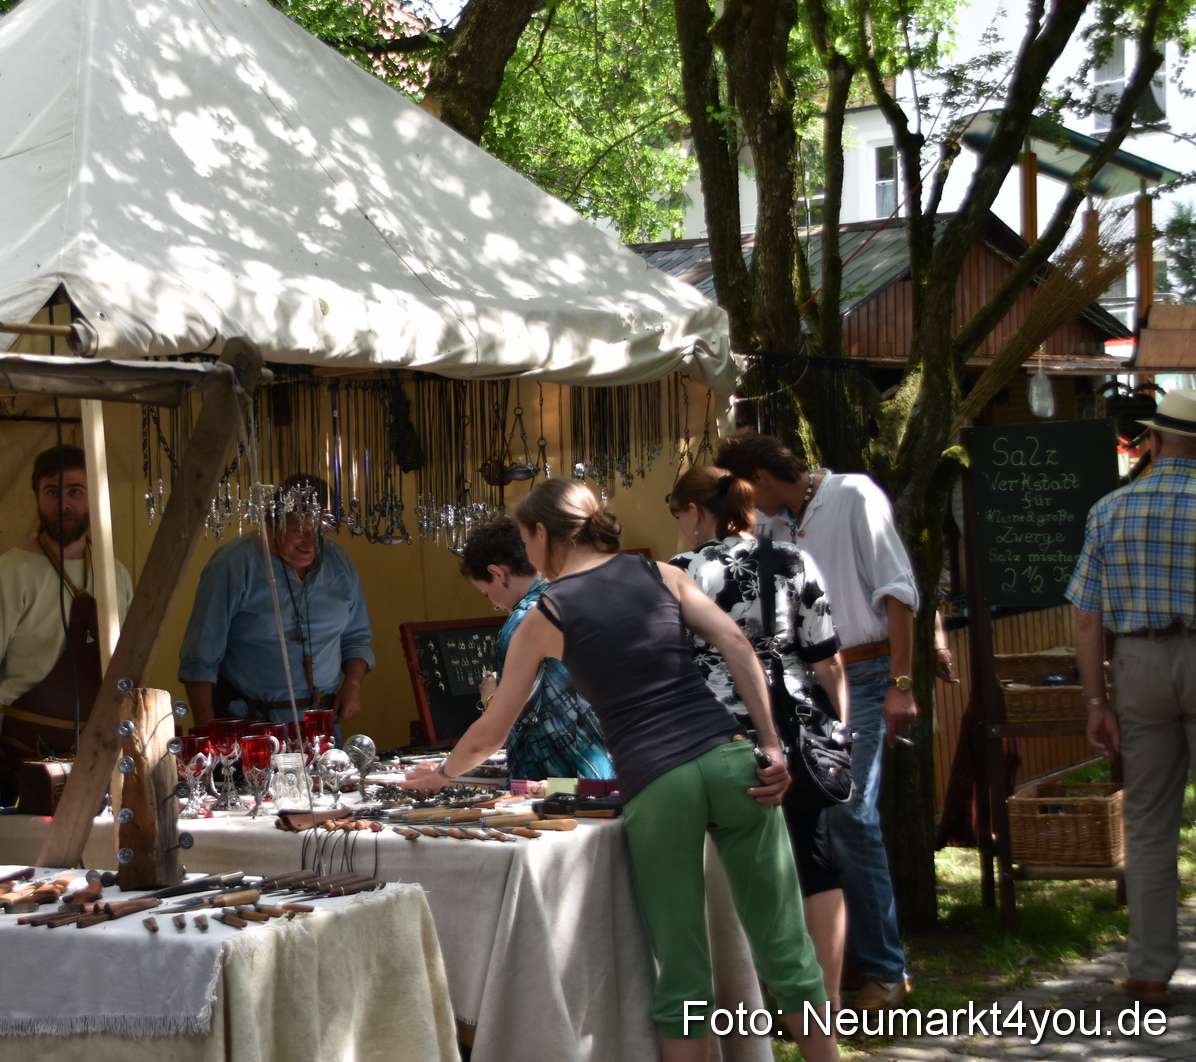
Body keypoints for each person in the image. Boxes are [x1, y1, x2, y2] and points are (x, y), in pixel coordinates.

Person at [403, 479, 836, 1062]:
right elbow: (737, 644)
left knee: (683, 974)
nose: (526, 553)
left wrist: (442, 774)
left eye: (526, 540)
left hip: (658, 782)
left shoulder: (546, 614)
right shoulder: (661, 573)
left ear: (541, 534)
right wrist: (773, 746)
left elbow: (491, 732)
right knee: (789, 953)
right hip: (732, 760)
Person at [715, 433, 945, 1011]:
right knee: (810, 817)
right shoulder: (771, 524)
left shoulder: (853, 495)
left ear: (760, 479)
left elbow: (899, 592)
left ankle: (887, 969)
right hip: (802, 680)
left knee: (849, 813)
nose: (744, 504)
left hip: (865, 673)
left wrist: (901, 684)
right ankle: (840, 963)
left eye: (743, 490)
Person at [667, 466, 849, 1012]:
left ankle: (750, 1001)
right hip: (800, 724)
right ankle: (825, 1001)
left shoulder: (683, 571)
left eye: (677, 513)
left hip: (722, 731)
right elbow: (827, 658)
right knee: (815, 859)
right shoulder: (794, 558)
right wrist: (842, 730)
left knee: (733, 866)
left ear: (694, 512)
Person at [1070, 387, 1196, 1006]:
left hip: (1138, 662)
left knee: (1147, 821)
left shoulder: (1110, 509)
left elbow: (1086, 618)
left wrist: (1097, 703)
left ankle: (1148, 970)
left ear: (1155, 439)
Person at [0, 445, 133, 811]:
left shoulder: (115, 575)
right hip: (26, 763)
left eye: (75, 491)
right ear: (37, 497)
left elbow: (129, 675)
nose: (63, 504)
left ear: (94, 496)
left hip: (100, 760)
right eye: (52, 492)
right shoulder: (9, 575)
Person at [179, 473, 374, 727]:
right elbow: (199, 660)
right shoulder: (233, 565)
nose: (311, 543)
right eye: (299, 530)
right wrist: (209, 734)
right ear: (272, 522)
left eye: (322, 531)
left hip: (320, 725)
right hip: (253, 727)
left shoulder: (338, 563)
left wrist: (353, 684)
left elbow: (356, 639)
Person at [457, 516, 615, 781]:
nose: (493, 605)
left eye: (486, 593)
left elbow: (506, 723)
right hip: (605, 769)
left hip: (551, 778)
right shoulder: (580, 599)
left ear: (498, 573)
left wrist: (491, 698)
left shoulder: (525, 620)